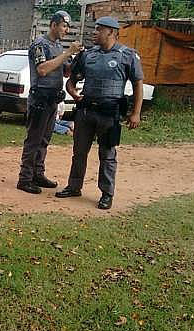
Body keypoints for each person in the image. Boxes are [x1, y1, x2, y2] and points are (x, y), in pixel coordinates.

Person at [55, 16, 144, 210]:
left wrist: (136, 113)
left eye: (99, 29)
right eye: (94, 29)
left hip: (109, 113)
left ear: (111, 32)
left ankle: (107, 193)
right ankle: (74, 186)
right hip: (86, 111)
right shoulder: (88, 55)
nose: (94, 33)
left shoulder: (127, 55)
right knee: (79, 152)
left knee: (107, 155)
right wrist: (72, 92)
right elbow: (71, 79)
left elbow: (138, 84)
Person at [17, 11, 82, 195]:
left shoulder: (57, 46)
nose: (66, 30)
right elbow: (43, 69)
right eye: (64, 25)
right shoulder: (40, 44)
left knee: (44, 140)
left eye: (68, 26)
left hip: (53, 99)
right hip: (40, 99)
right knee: (34, 140)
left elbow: (65, 72)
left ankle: (38, 173)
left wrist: (76, 62)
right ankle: (25, 178)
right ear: (53, 25)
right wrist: (68, 52)